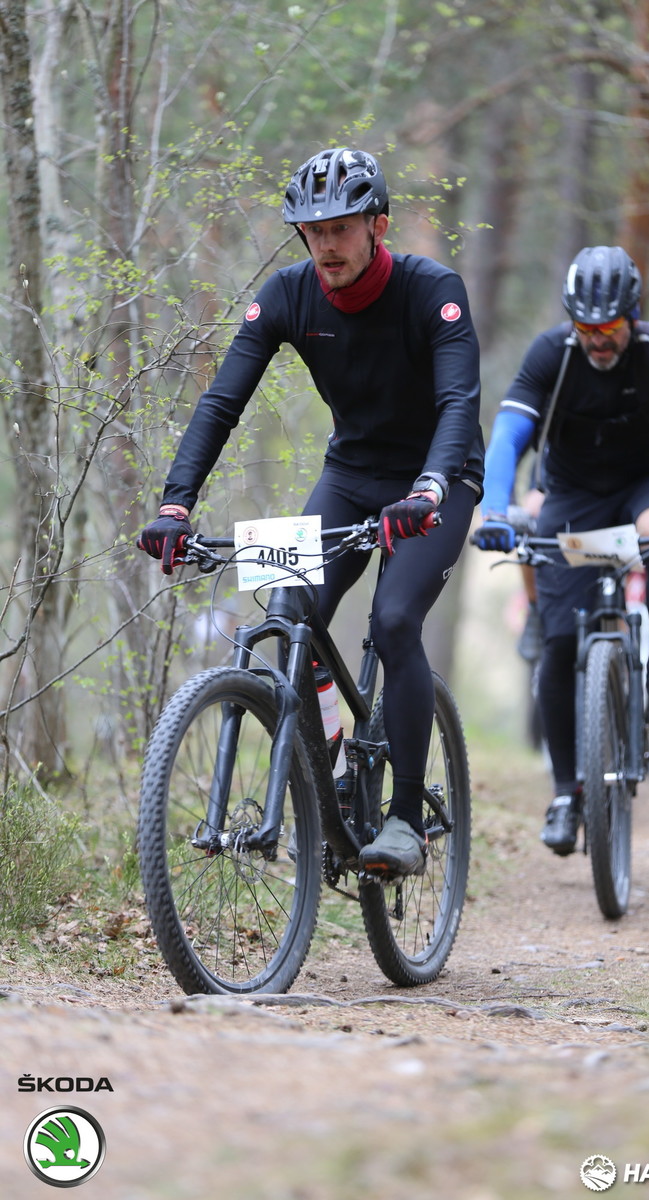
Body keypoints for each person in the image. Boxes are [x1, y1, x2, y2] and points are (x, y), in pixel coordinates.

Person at [138, 147, 484, 878]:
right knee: (289, 610)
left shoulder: (433, 291)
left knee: (394, 620)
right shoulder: (287, 296)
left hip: (438, 481)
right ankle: (330, 770)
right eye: (312, 229)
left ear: (378, 226)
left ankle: (404, 818)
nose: (326, 243)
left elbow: (458, 403)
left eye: (342, 227)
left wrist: (428, 489)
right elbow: (221, 404)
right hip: (352, 476)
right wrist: (176, 502)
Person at [473, 245, 649, 856]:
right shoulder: (552, 354)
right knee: (560, 642)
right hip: (574, 492)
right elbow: (510, 436)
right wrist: (494, 509)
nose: (598, 339)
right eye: (586, 327)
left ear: (633, 316)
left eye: (610, 327)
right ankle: (567, 793)